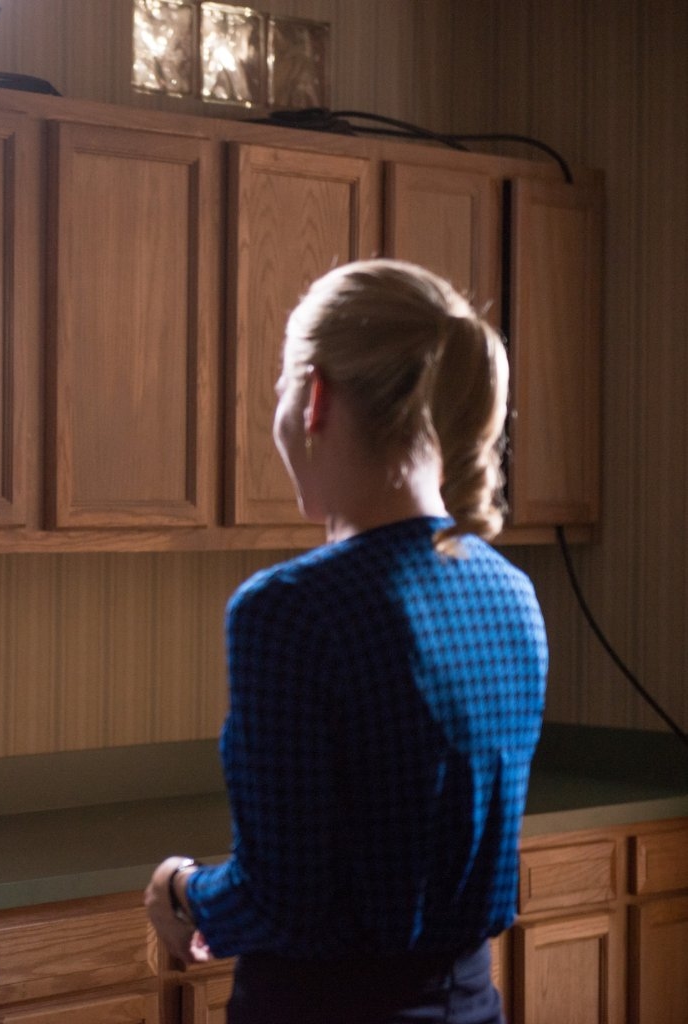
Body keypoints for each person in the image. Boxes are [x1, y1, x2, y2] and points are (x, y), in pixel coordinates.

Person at [145, 260, 548, 1023]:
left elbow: (282, 901)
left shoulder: (290, 610)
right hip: (470, 1003)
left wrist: (181, 890)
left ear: (315, 397)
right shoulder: (512, 594)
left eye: (281, 388)